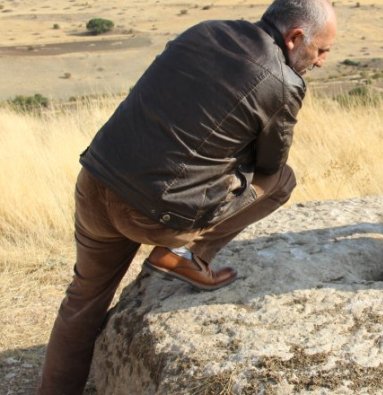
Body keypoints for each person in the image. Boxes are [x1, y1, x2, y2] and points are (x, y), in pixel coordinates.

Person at [38, 0, 337, 393]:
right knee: (281, 180)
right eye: (320, 50)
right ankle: (187, 254)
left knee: (82, 301)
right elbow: (271, 161)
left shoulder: (204, 30)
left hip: (97, 180)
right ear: (296, 37)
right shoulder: (283, 82)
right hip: (155, 213)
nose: (321, 62)